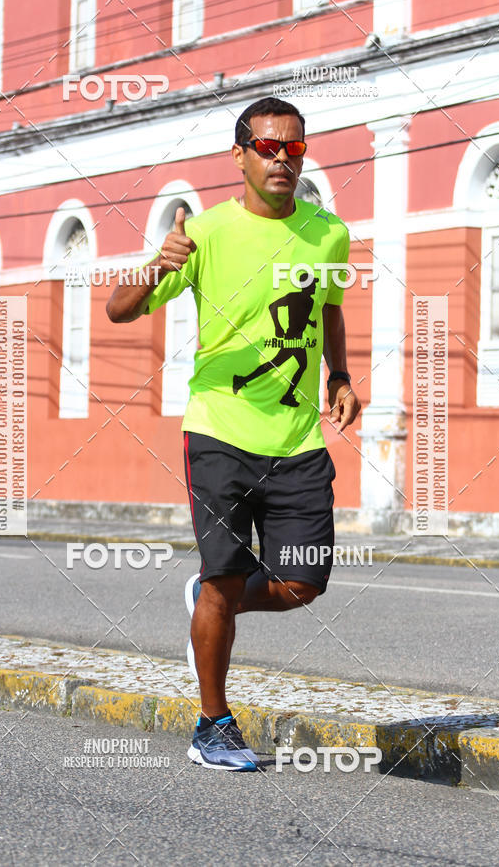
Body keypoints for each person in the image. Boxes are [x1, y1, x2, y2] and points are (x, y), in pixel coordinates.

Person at [106, 97, 361, 771]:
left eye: (294, 149)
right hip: (218, 430)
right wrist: (160, 264)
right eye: (268, 147)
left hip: (299, 437)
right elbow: (117, 310)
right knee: (223, 575)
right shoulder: (206, 233)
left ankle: (209, 604)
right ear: (240, 154)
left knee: (305, 582)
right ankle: (213, 724)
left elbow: (328, 308)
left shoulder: (328, 233)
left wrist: (339, 374)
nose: (282, 159)